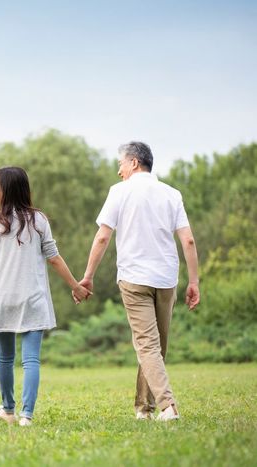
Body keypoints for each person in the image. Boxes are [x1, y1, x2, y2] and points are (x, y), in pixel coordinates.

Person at [79, 141, 200, 421]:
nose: (118, 170)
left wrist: (88, 276)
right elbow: (189, 240)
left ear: (134, 163)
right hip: (166, 278)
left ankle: (167, 406)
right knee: (156, 345)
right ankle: (143, 409)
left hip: (134, 278)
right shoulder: (172, 194)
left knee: (147, 345)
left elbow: (102, 236)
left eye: (121, 164)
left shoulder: (119, 192)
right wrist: (194, 281)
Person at [0, 166, 90, 427]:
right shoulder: (39, 221)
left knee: (4, 358)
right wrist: (75, 285)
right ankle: (26, 415)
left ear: (6, 189)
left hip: (3, 298)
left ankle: (8, 409)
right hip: (33, 297)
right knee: (31, 360)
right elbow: (54, 259)